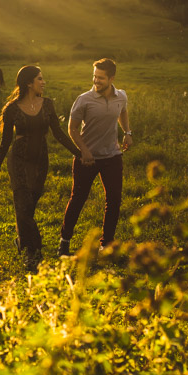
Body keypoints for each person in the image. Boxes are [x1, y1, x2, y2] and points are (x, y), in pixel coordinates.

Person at [0, 65, 81, 271]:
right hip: (19, 159)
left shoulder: (47, 105)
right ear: (29, 83)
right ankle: (34, 252)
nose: (44, 82)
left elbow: (58, 133)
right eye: (40, 79)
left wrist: (79, 154)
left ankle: (22, 241)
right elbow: (5, 140)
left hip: (40, 159)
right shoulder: (12, 109)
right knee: (22, 205)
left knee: (29, 206)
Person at [58, 58, 133, 256]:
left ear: (111, 78)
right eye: (94, 76)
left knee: (114, 200)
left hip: (112, 156)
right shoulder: (84, 99)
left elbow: (123, 113)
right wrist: (84, 150)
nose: (96, 81)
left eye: (100, 78)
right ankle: (64, 241)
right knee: (78, 198)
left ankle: (106, 245)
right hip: (87, 159)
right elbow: (72, 128)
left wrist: (127, 132)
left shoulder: (121, 96)